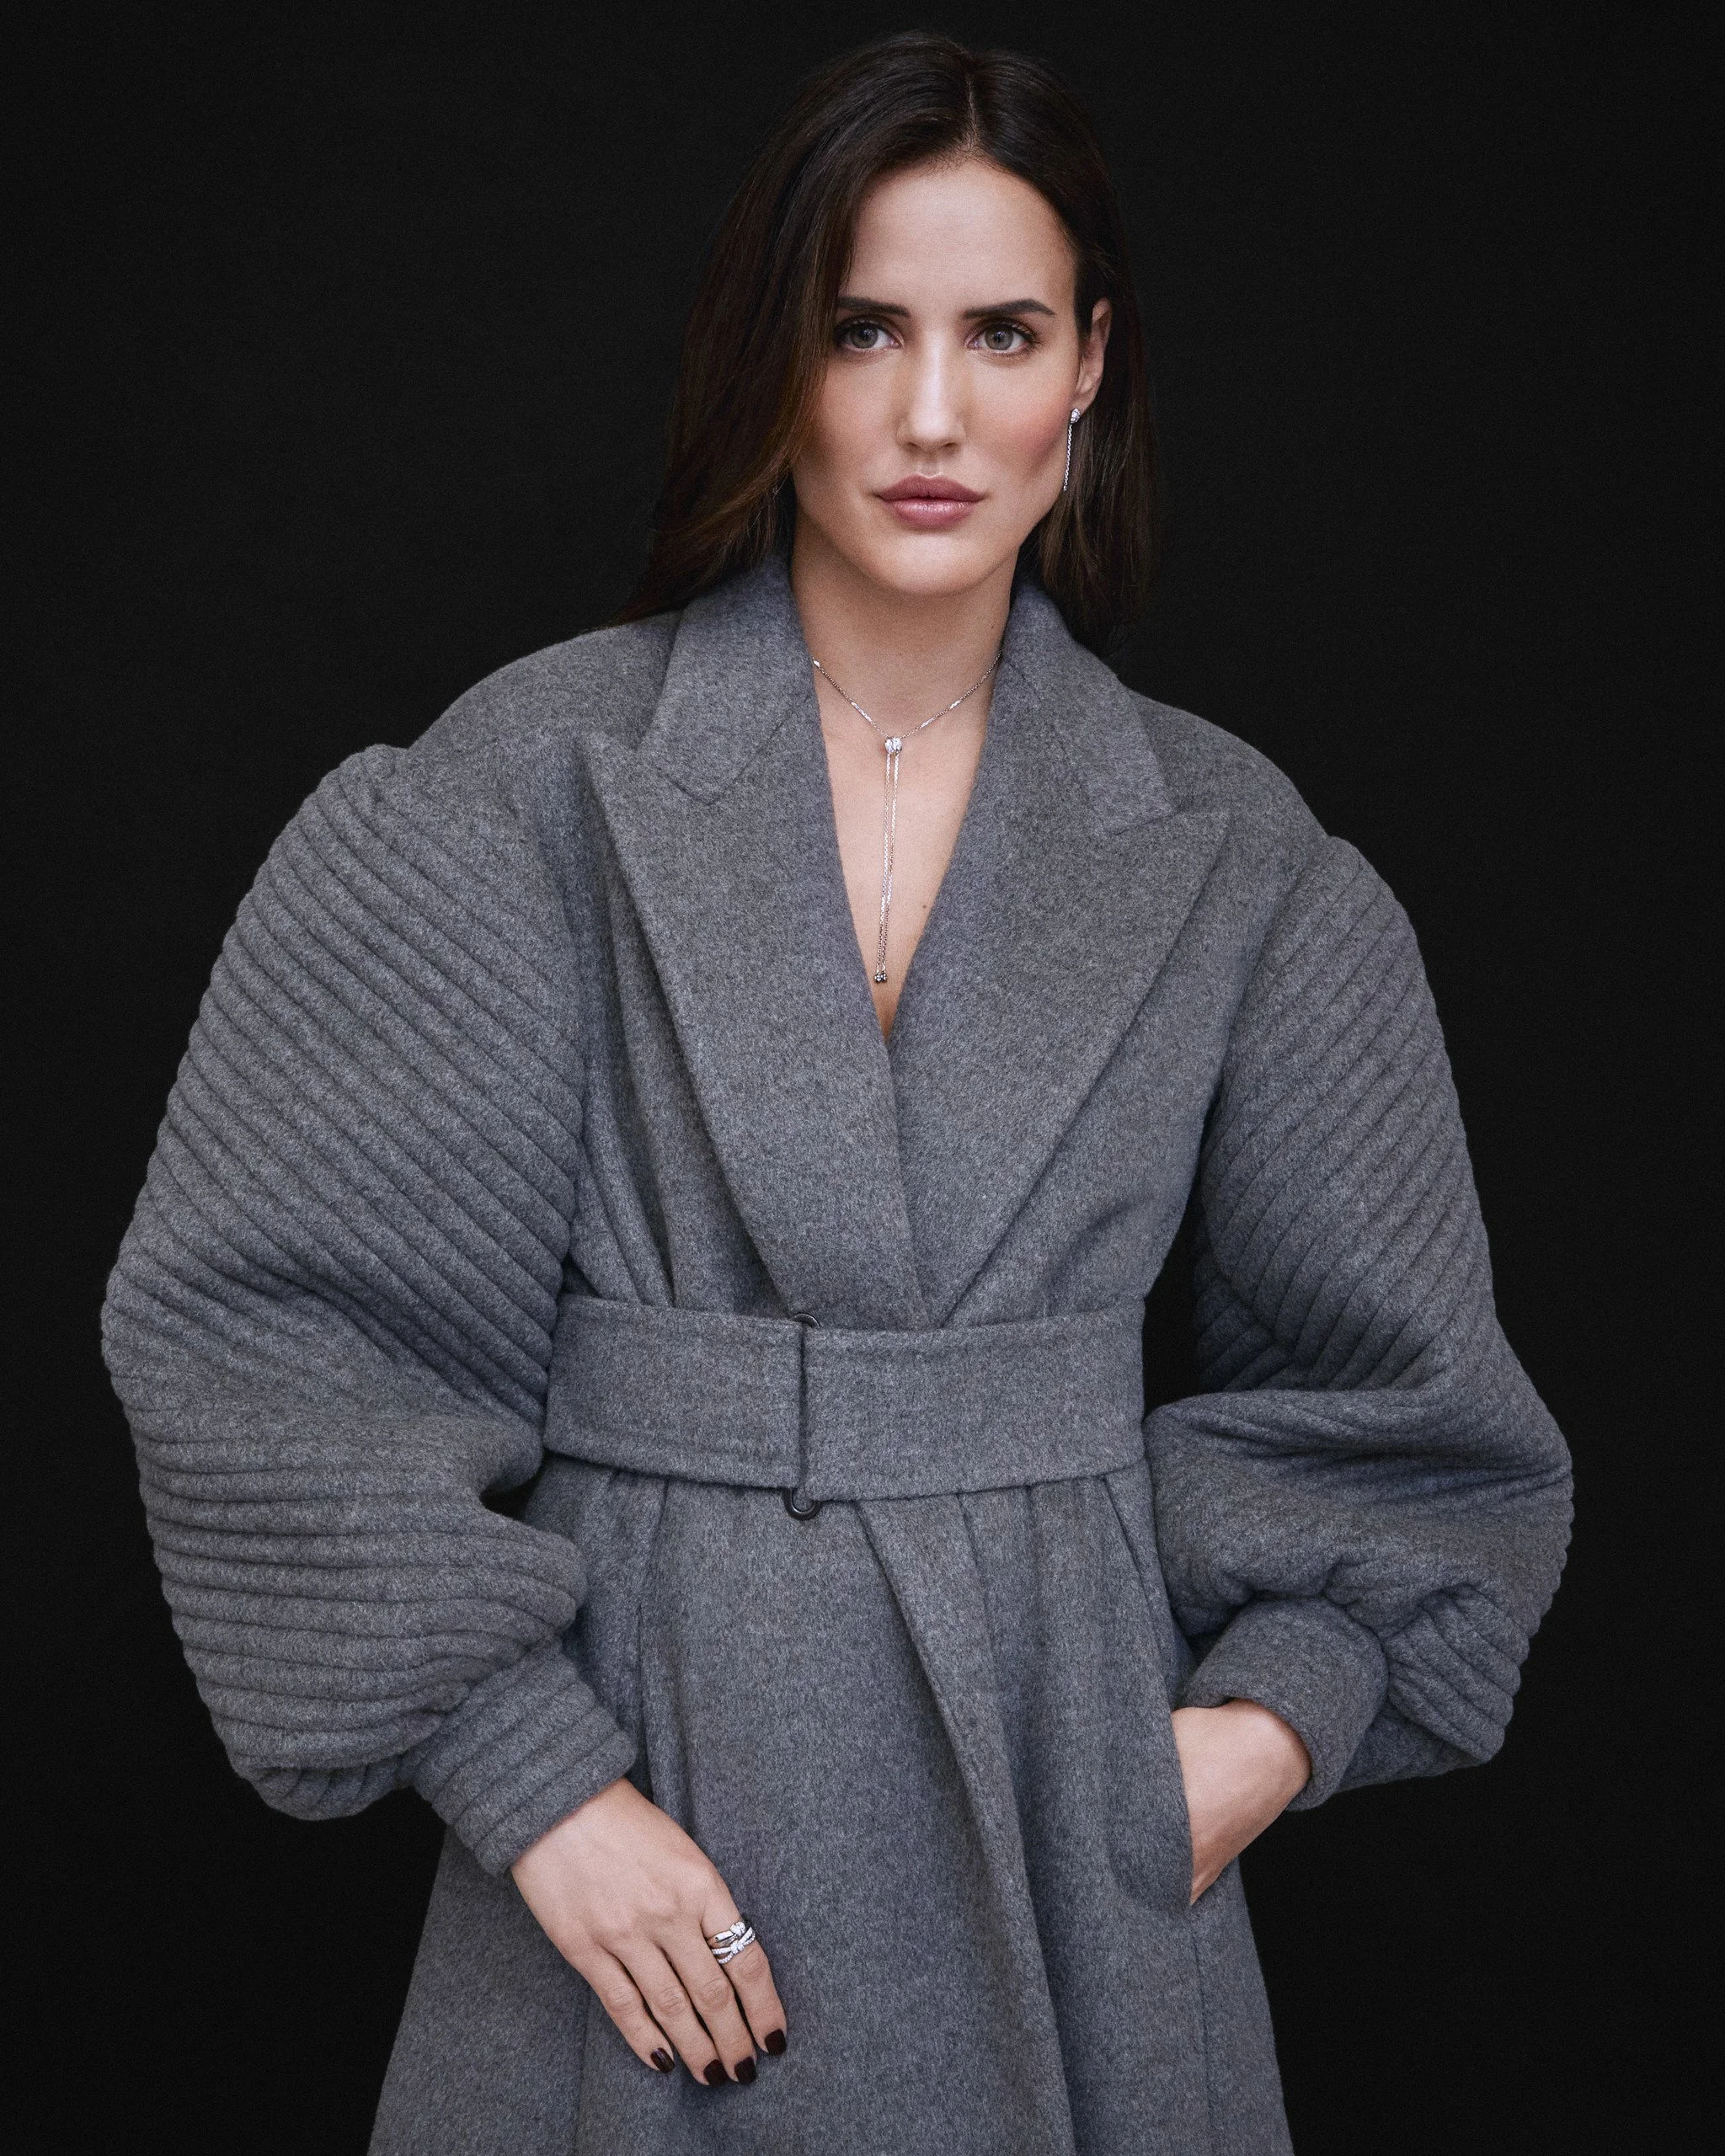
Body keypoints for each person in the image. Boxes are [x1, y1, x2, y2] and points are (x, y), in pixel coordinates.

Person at [102, 32, 1572, 2156]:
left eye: (1000, 333)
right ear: (770, 354)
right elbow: (266, 1346)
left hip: (1072, 1860)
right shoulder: (515, 792)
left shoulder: (1242, 855)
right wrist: (535, 1782)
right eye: (861, 327)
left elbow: (1412, 1411)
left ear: (1090, 366)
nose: (928, 411)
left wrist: (1257, 1729)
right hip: (647, 1805)